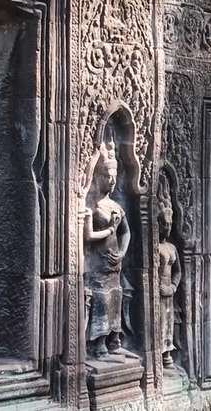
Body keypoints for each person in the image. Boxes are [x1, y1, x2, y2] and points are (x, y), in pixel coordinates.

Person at [84, 134, 131, 359]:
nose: (111, 180)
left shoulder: (115, 206)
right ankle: (99, 343)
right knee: (101, 300)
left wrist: (122, 252)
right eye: (107, 175)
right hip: (97, 266)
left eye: (114, 176)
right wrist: (108, 231)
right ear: (98, 176)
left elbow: (127, 232)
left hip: (115, 266)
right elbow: (88, 236)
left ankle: (115, 340)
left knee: (116, 297)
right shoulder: (92, 207)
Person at [156, 172, 181, 367]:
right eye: (164, 223)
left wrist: (173, 286)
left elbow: (178, 271)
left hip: (169, 293)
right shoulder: (154, 248)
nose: (167, 227)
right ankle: (158, 352)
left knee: (168, 323)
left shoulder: (172, 248)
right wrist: (158, 289)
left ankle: (167, 353)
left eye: (170, 224)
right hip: (156, 292)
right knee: (158, 322)